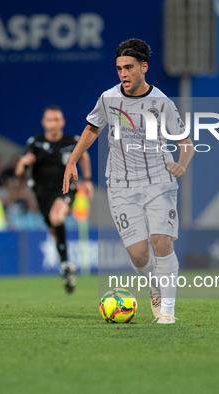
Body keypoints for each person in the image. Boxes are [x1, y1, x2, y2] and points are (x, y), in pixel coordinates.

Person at [63, 38, 194, 323]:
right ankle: (153, 284)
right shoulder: (109, 98)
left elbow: (186, 143)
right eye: (120, 68)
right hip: (121, 185)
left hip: (159, 181)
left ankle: (168, 313)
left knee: (161, 242)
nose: (123, 73)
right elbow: (91, 128)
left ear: (143, 67)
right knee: (138, 256)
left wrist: (181, 164)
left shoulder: (162, 102)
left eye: (129, 67)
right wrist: (72, 160)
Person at [16, 105, 94, 294]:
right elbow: (19, 172)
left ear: (62, 122)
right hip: (42, 194)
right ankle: (67, 268)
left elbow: (84, 155)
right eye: (49, 120)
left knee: (57, 218)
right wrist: (23, 164)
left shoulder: (72, 141)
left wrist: (88, 180)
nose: (53, 123)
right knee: (54, 229)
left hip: (66, 189)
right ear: (44, 122)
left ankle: (66, 264)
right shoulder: (35, 142)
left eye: (56, 119)